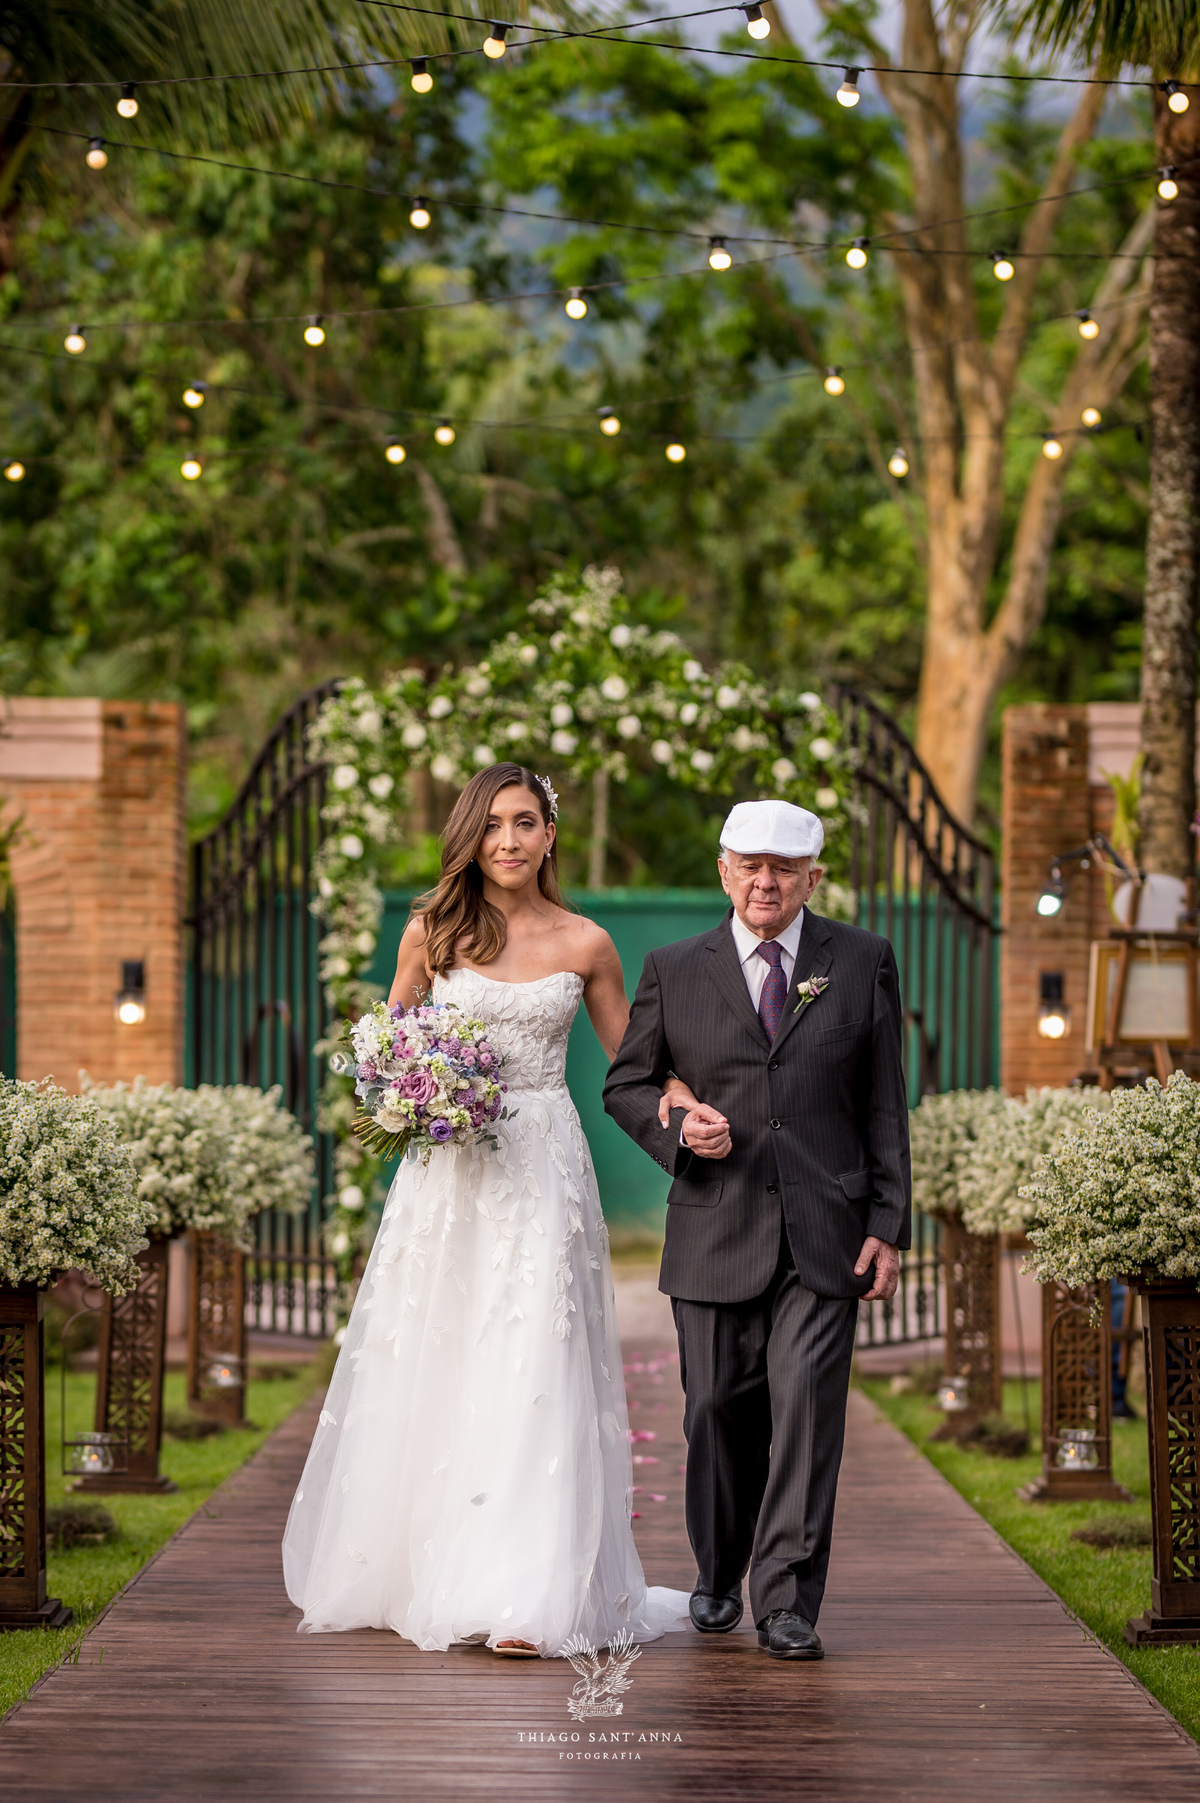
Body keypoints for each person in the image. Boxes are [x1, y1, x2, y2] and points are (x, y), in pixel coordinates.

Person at [282, 762, 693, 1657]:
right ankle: (419, 1568)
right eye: (493, 824)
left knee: (533, 1356)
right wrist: (418, 1095)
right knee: (444, 1348)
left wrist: (689, 1105)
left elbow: (633, 1059)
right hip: (450, 1174)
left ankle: (524, 1593)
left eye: (526, 822)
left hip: (543, 1165)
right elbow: (387, 1050)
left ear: (550, 834)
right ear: (471, 835)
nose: (509, 840)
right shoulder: (431, 933)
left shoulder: (588, 943)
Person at [603, 798, 911, 1661]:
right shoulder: (673, 966)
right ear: (723, 870)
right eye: (749, 863)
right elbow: (627, 1085)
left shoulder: (861, 959)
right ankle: (717, 1569)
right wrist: (678, 1128)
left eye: (783, 867)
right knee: (714, 1411)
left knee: (809, 1413)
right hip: (712, 1226)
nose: (765, 880)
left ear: (813, 875)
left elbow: (884, 1101)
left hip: (828, 1231)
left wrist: (889, 1222)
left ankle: (785, 1599)